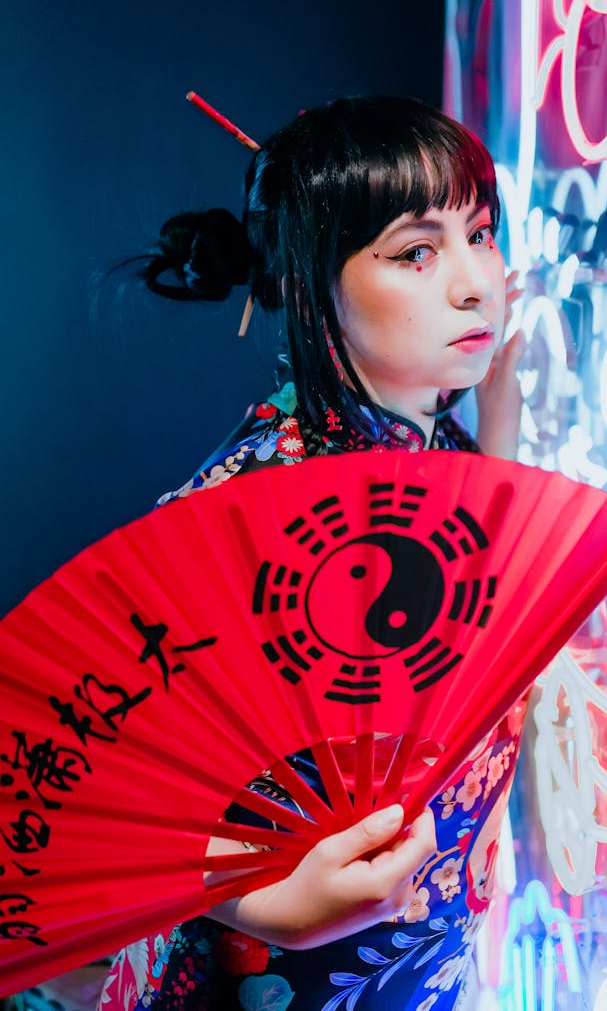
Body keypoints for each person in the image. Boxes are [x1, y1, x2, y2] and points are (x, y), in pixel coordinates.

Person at [95, 95, 527, 1011]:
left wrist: (503, 440)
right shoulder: (247, 508)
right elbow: (107, 775)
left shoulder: (443, 455)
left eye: (479, 234)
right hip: (279, 976)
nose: (475, 281)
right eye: (417, 251)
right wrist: (257, 904)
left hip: (424, 952)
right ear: (309, 278)